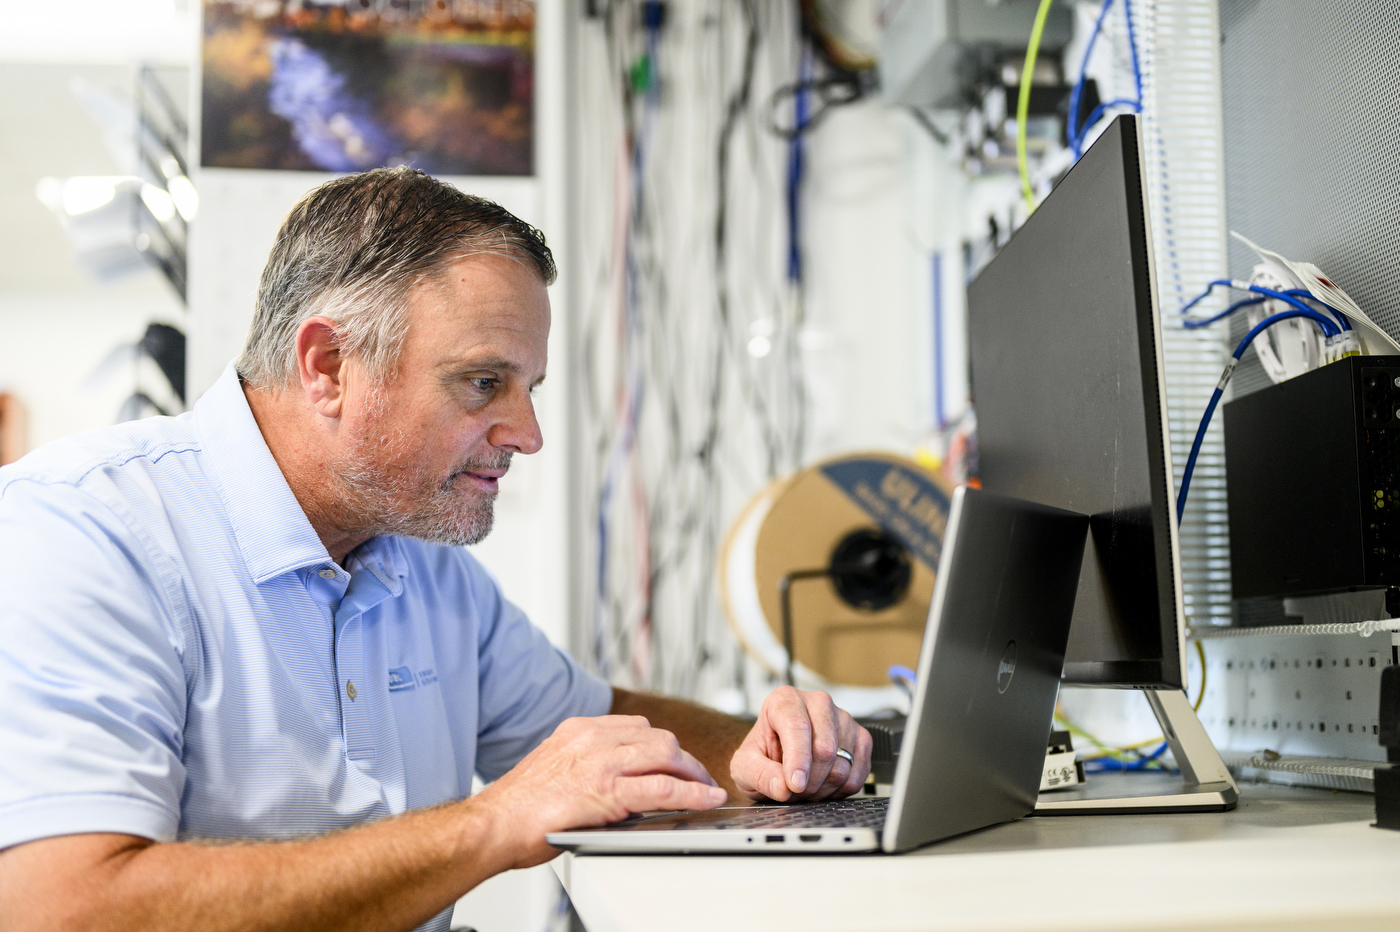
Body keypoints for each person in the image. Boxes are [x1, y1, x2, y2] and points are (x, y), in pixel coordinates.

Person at [0, 167, 873, 932]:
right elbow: (62, 908)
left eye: (528, 389)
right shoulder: (83, 533)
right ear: (329, 366)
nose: (527, 434)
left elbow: (597, 724)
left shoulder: (423, 566)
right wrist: (492, 822)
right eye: (484, 383)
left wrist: (762, 747)